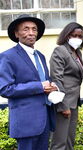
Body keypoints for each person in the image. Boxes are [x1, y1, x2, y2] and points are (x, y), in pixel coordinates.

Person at [0, 14, 57, 150]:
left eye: (34, 29)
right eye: (26, 29)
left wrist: (51, 85)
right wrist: (39, 86)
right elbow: (5, 89)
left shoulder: (41, 56)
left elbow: (43, 81)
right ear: (16, 33)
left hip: (45, 120)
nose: (31, 33)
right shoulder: (8, 56)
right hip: (26, 123)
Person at [49, 22, 83, 150]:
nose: (77, 38)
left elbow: (80, 69)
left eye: (80, 36)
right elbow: (57, 79)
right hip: (63, 103)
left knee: (69, 141)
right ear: (67, 36)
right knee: (59, 142)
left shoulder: (76, 52)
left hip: (73, 102)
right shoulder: (60, 51)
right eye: (74, 35)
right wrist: (63, 106)